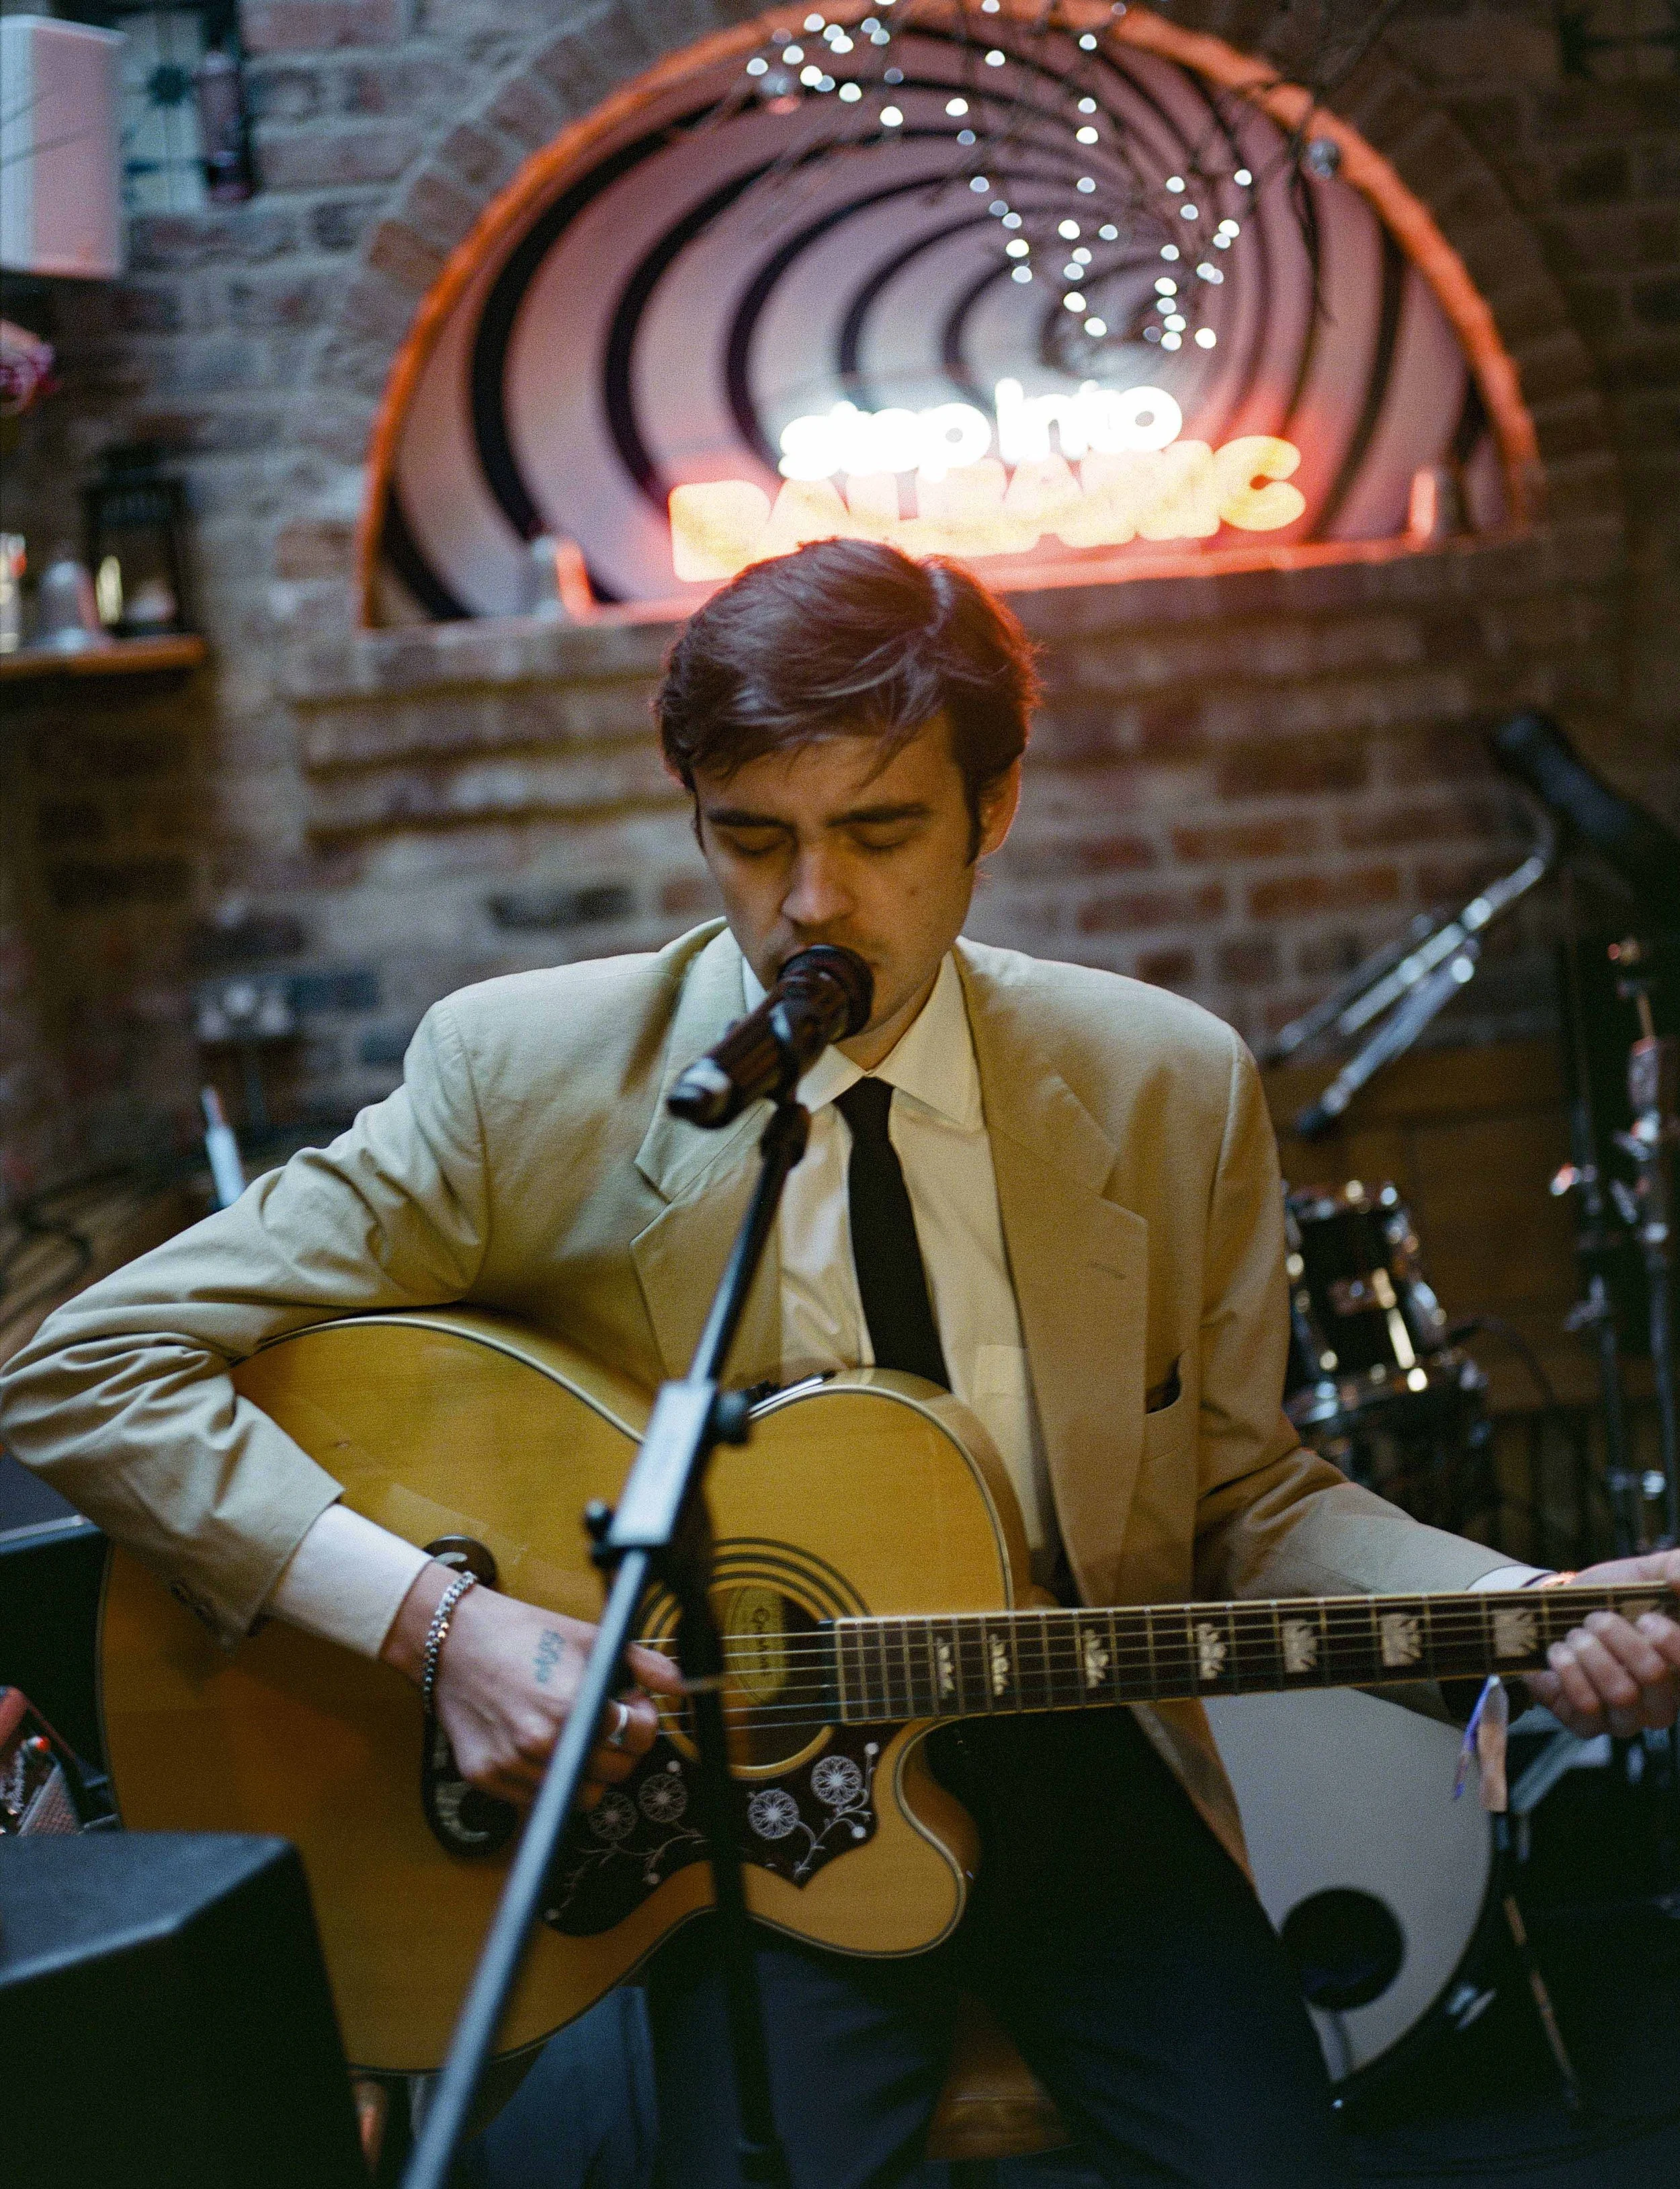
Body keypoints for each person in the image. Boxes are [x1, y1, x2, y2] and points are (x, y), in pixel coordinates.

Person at [3, 540, 1677, 2189]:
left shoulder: (1166, 1085)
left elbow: (1242, 1490)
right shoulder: (529, 1080)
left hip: (1073, 1748)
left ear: (991, 809)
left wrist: (1523, 1612)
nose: (810, 902)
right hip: (712, 1800)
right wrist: (439, 1623)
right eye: (753, 838)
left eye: (878, 832)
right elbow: (81, 1361)